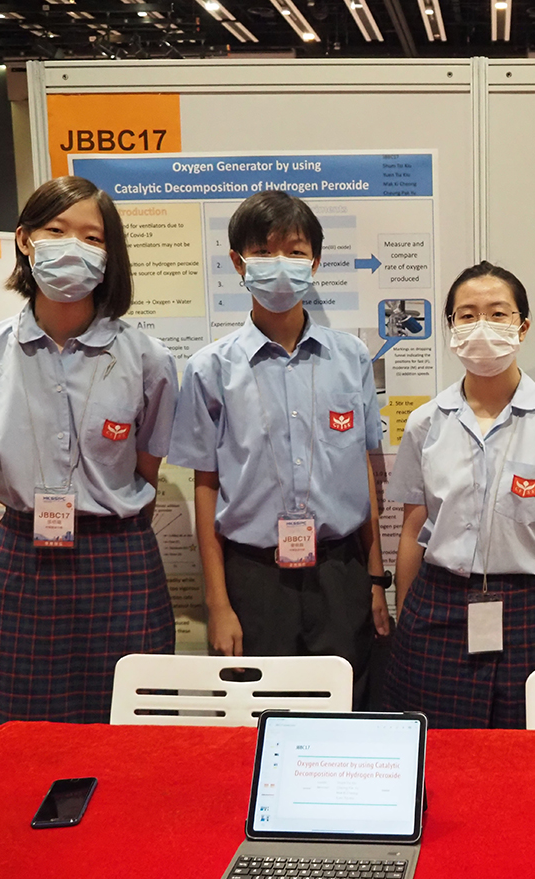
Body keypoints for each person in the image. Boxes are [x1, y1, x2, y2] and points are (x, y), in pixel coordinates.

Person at [0, 175, 178, 748]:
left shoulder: (149, 358)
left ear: (109, 255)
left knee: (125, 724)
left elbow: (147, 463)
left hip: (119, 556)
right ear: (25, 240)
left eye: (92, 237)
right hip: (23, 555)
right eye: (56, 231)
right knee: (18, 727)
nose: (74, 247)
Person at [169, 190, 390, 707]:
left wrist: (376, 580)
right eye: (264, 253)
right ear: (238, 263)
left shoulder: (351, 357)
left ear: (315, 262)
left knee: (345, 710)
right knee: (259, 714)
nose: (280, 265)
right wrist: (217, 602)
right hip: (254, 578)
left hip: (340, 573)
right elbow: (206, 487)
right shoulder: (210, 368)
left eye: (294, 251)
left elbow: (363, 469)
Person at [383, 261, 535, 728]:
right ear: (451, 327)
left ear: (523, 326)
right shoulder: (425, 423)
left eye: (498, 313)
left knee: (518, 754)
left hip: (527, 610)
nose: (482, 325)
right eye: (467, 315)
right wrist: (406, 622)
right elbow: (411, 529)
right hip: (436, 607)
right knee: (437, 750)